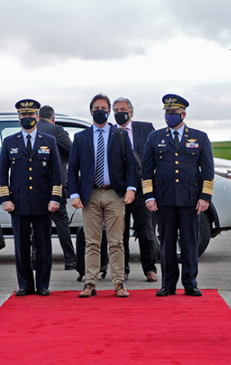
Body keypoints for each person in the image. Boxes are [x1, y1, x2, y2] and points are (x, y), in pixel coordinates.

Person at [142, 94, 213, 297]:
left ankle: (190, 282)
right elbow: (147, 170)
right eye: (167, 112)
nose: (169, 116)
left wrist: (205, 197)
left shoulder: (199, 137)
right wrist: (149, 196)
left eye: (173, 113)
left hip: (190, 199)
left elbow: (207, 170)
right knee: (166, 243)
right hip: (164, 200)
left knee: (189, 242)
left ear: (183, 114)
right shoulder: (155, 137)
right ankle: (168, 284)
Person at [67, 94, 138, 298]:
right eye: (96, 107)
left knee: (116, 241)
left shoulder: (120, 135)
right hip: (90, 195)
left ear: (109, 111)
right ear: (91, 111)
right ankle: (90, 282)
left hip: (114, 194)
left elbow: (130, 165)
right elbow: (72, 169)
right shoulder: (81, 138)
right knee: (92, 242)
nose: (101, 110)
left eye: (104, 107)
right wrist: (74, 194)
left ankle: (118, 283)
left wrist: (131, 188)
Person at [0, 98, 62, 296]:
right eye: (24, 115)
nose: (27, 118)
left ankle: (43, 284)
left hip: (43, 201)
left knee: (43, 245)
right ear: (19, 118)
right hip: (18, 202)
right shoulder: (9, 142)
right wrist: (5, 198)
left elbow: (57, 173)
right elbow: (2, 173)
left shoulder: (48, 141)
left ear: (37, 117)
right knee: (21, 245)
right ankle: (25, 284)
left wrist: (55, 198)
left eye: (31, 115)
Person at [113, 97, 159, 282]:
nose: (119, 113)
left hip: (141, 190)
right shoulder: (110, 132)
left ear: (131, 112)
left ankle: (150, 268)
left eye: (122, 109)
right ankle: (123, 269)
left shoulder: (146, 129)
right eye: (115, 110)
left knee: (145, 231)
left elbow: (156, 154)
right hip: (119, 191)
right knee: (120, 233)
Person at [38, 105, 76, 270]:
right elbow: (73, 151)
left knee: (36, 223)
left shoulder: (31, 129)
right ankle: (70, 259)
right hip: (55, 183)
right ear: (53, 118)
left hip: (36, 185)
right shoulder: (57, 129)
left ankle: (35, 259)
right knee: (61, 221)